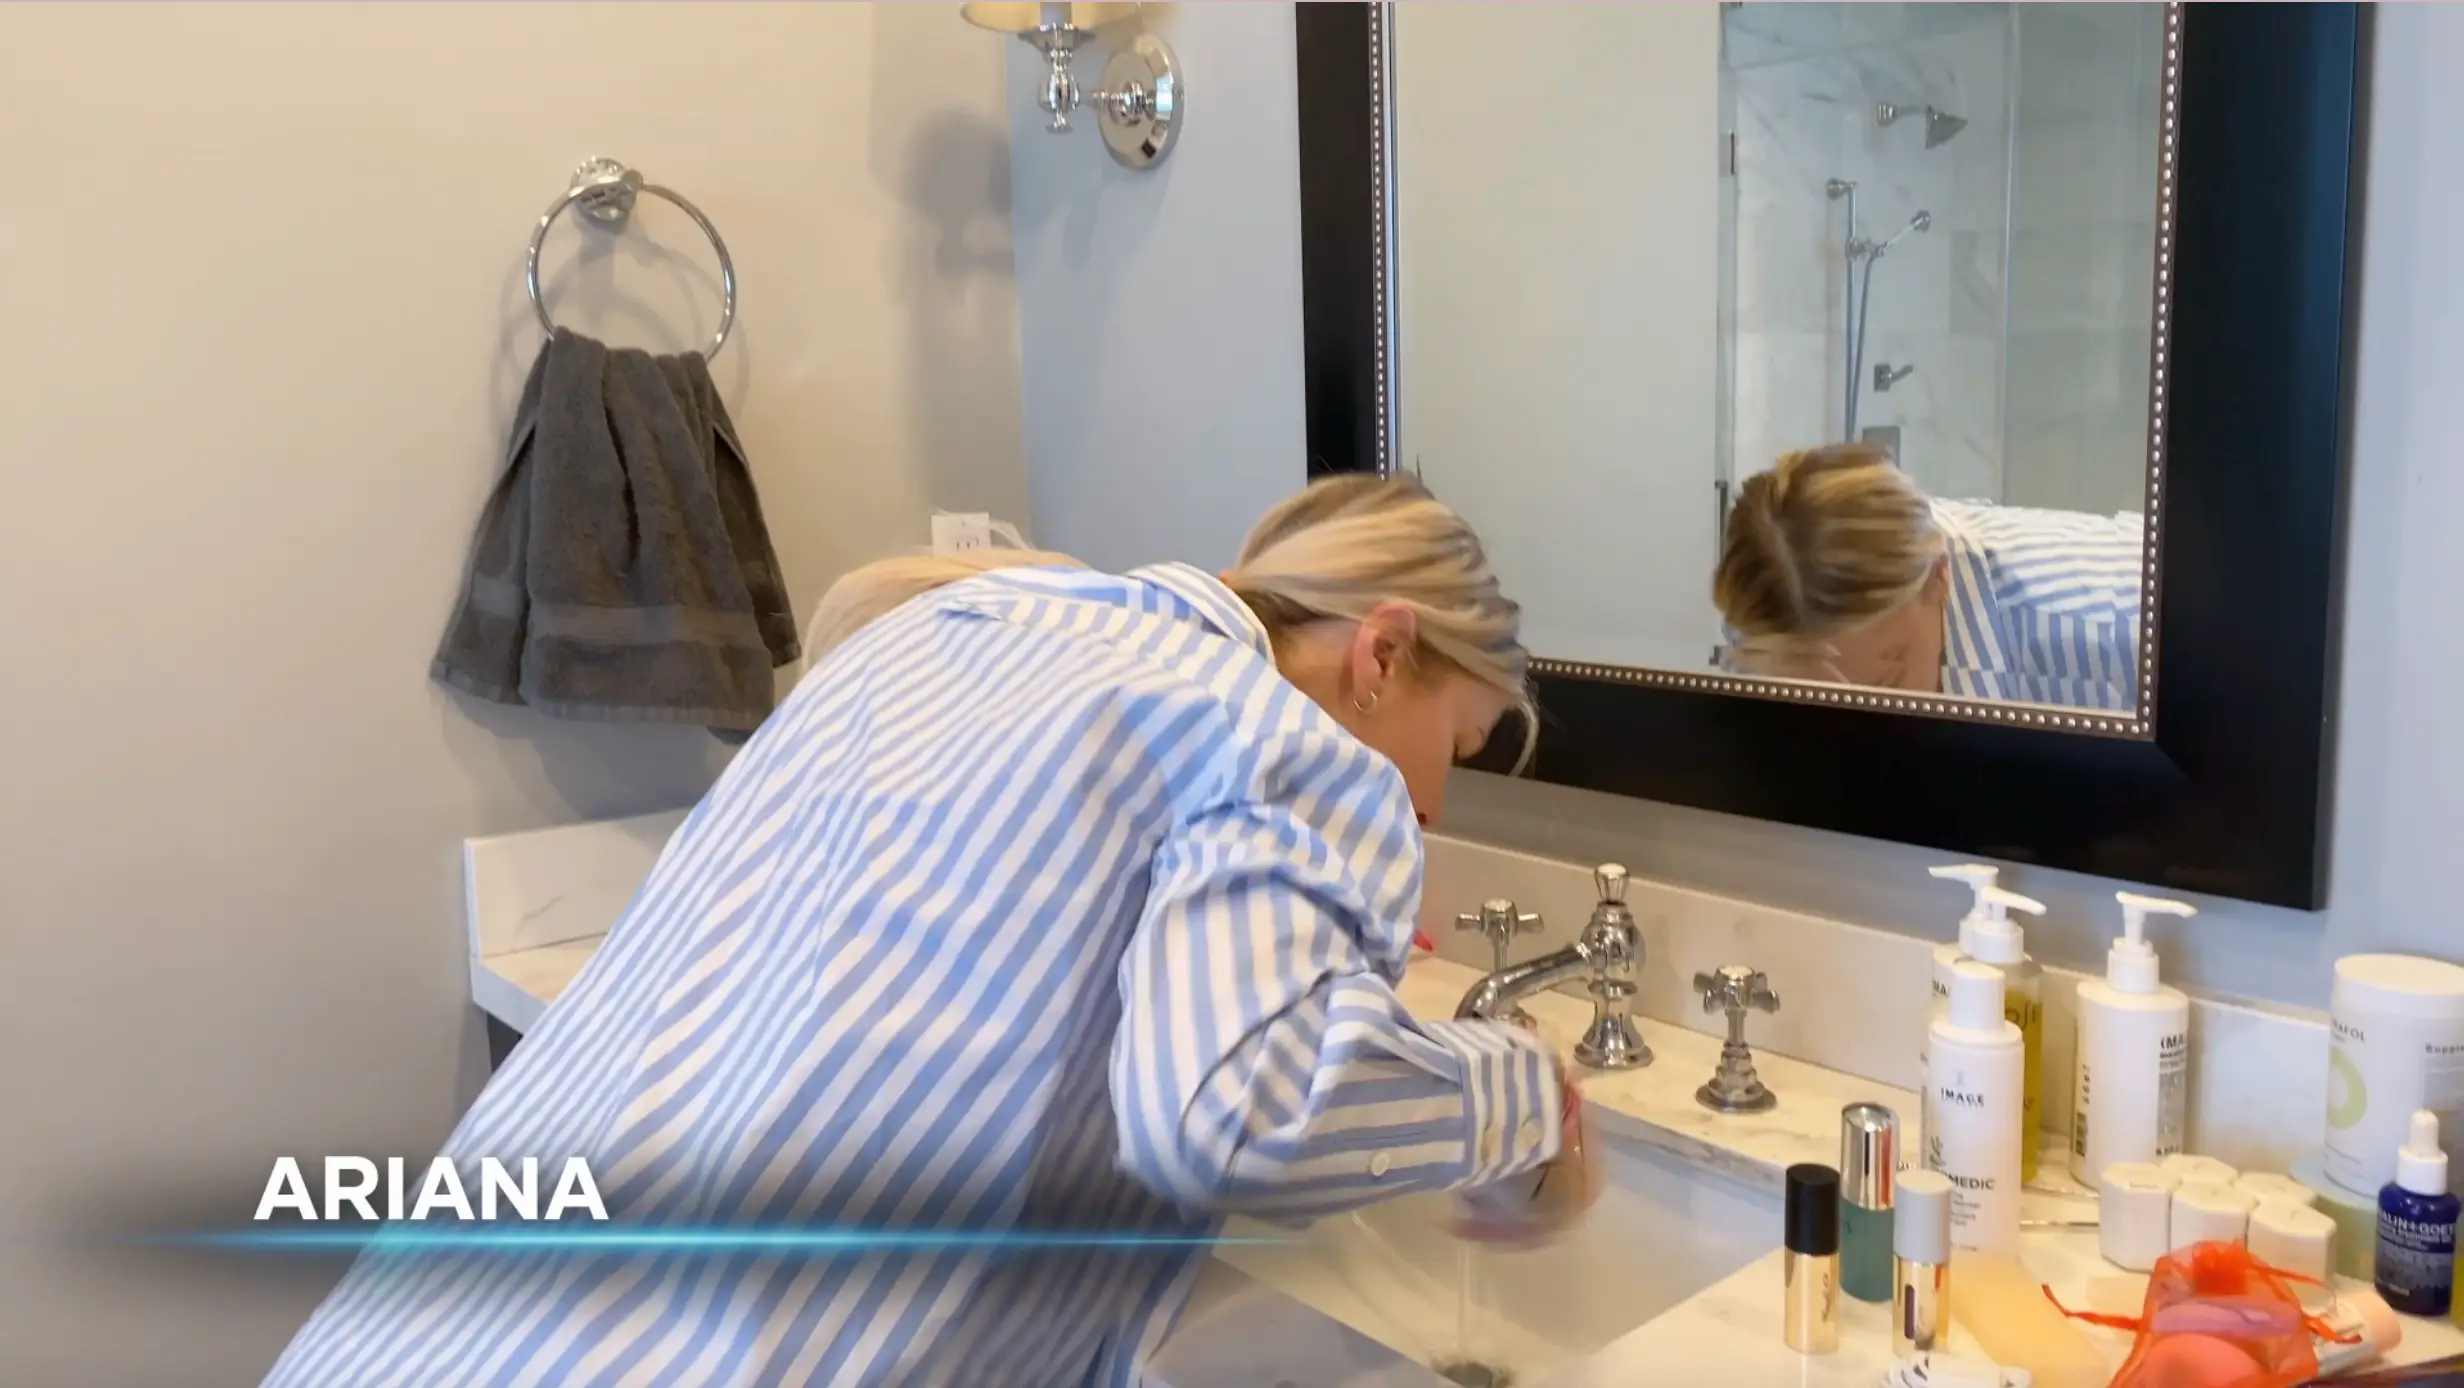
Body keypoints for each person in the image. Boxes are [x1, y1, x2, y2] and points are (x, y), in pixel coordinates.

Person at [264, 475, 1594, 1388]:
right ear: (1382, 654)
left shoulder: (952, 625)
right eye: (1461, 743)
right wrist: (1526, 1098)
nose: (1432, 805)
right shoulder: (1280, 743)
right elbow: (1242, 1112)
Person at [1712, 442, 2145, 710]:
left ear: (1940, 576)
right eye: (1815, 698)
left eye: (1888, 680)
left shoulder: (2113, 636)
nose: (1854, 730)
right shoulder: (1769, 615)